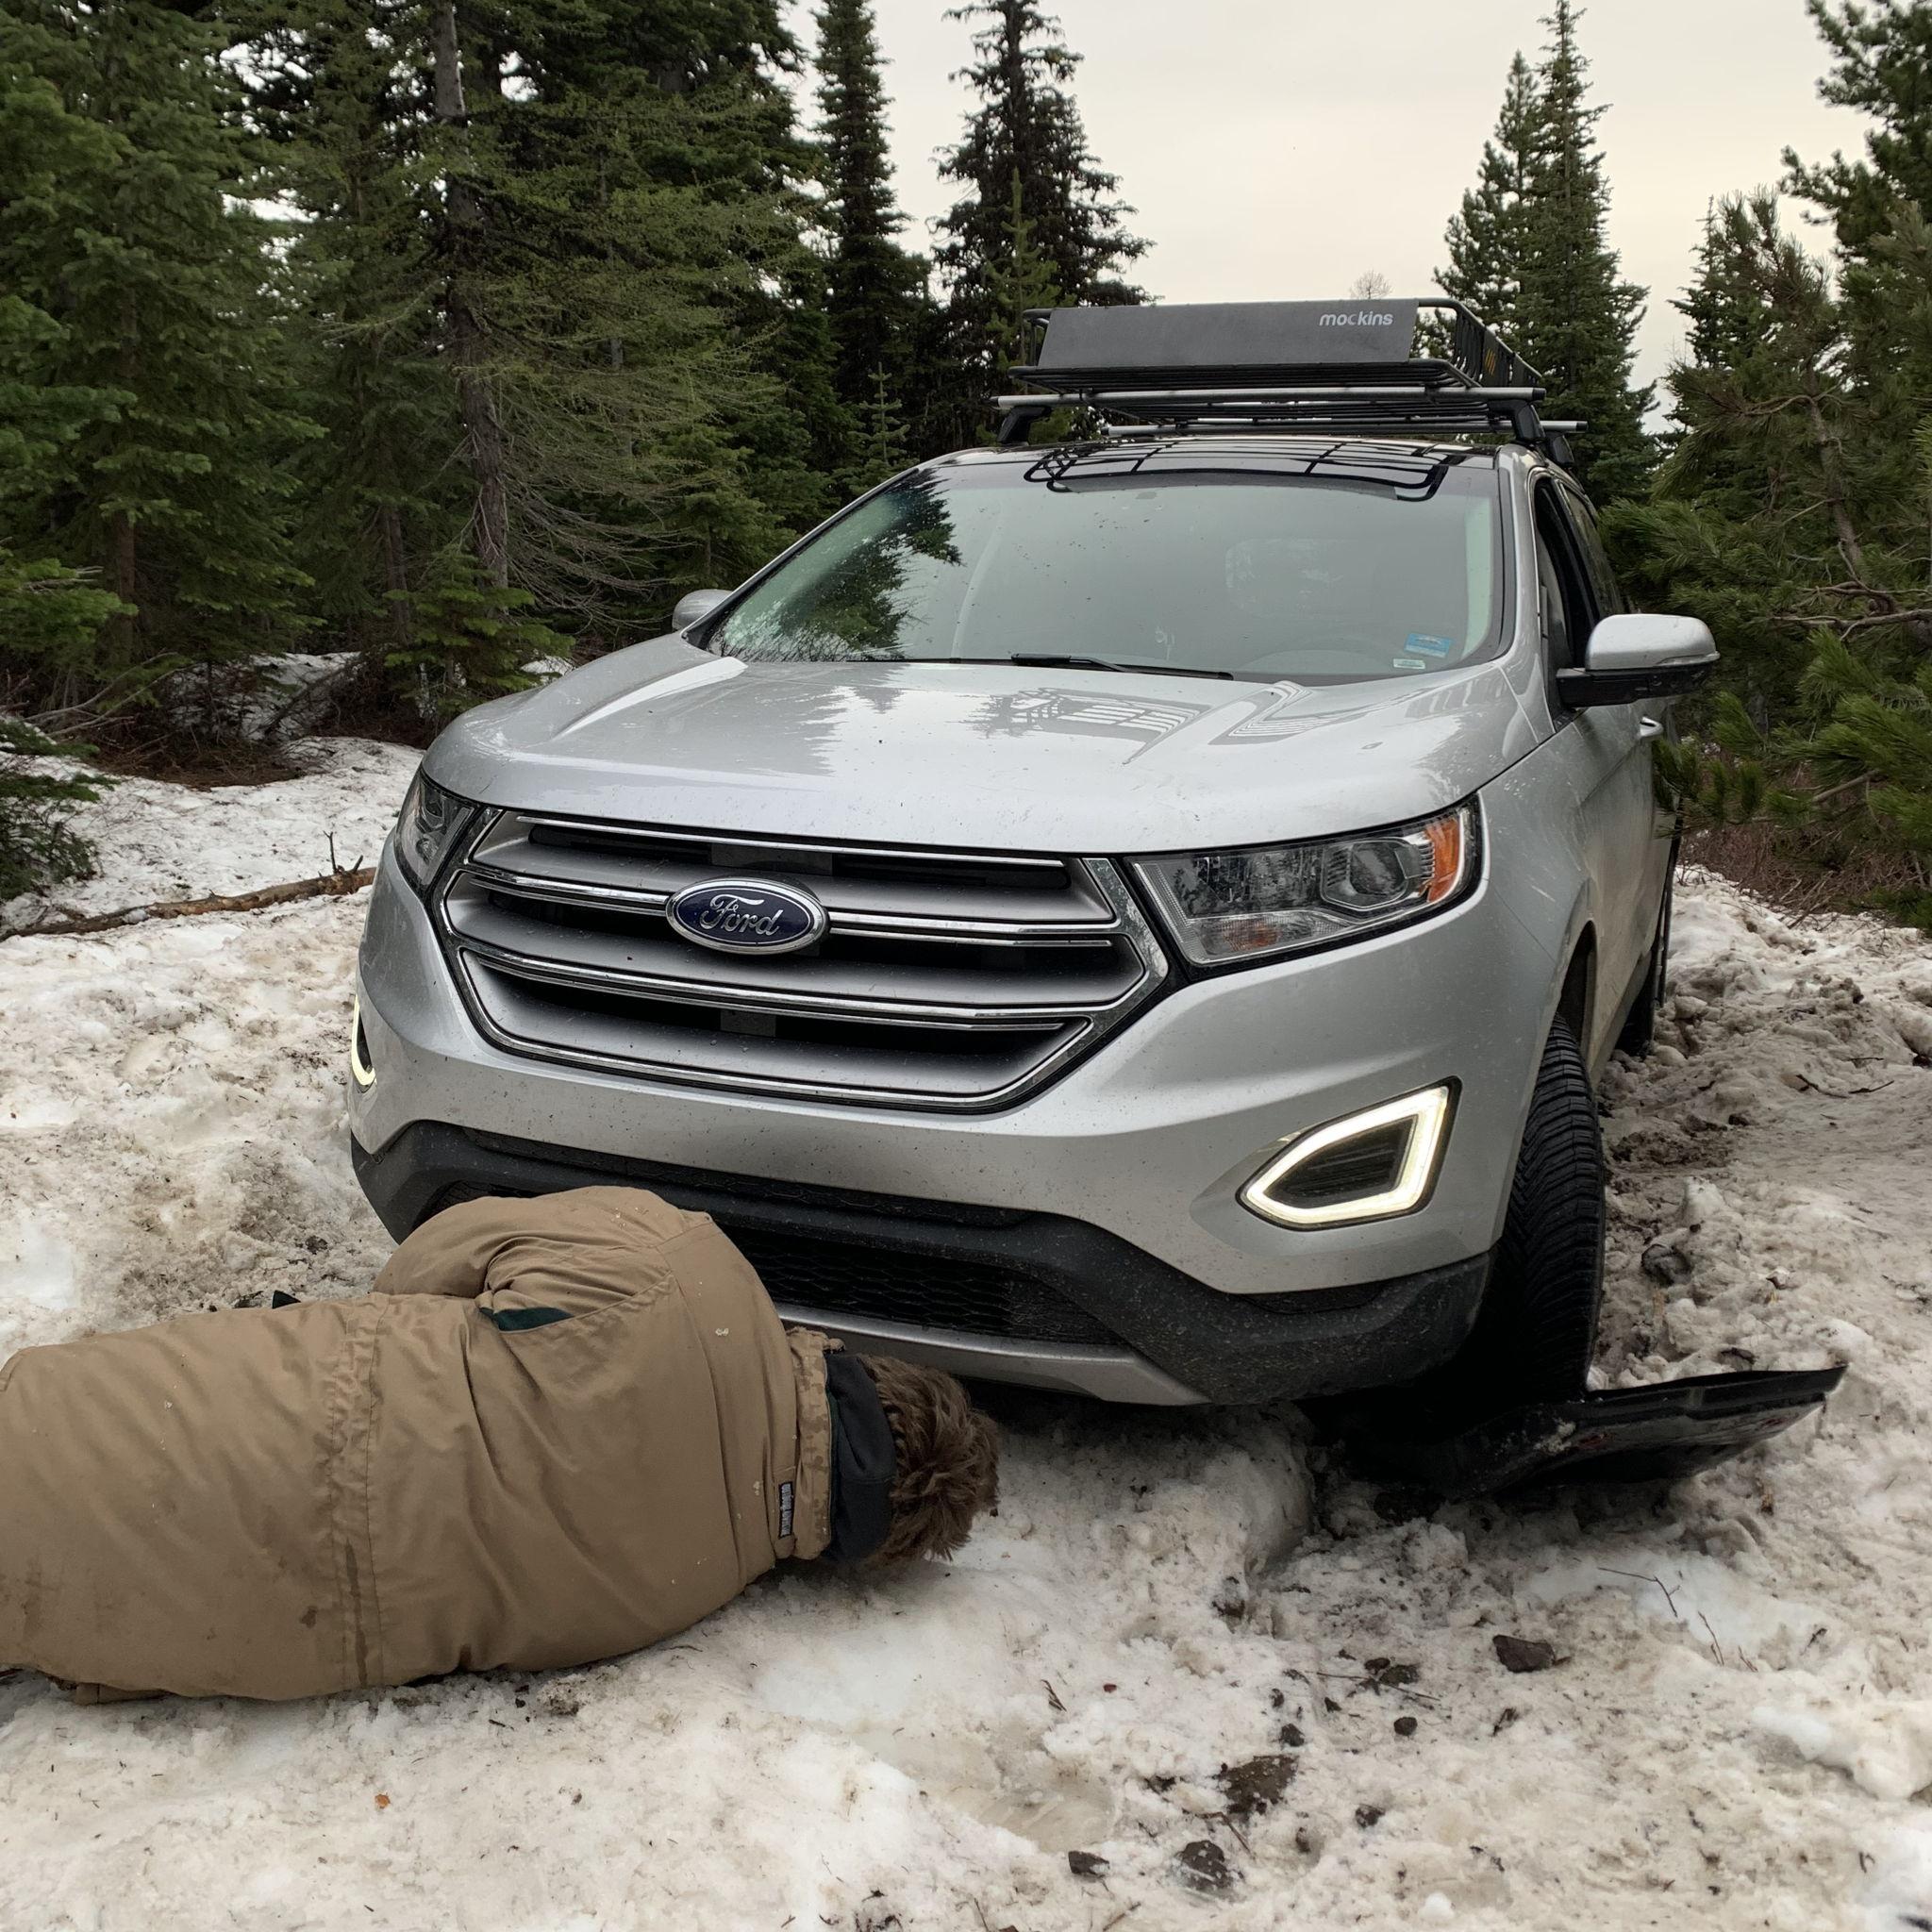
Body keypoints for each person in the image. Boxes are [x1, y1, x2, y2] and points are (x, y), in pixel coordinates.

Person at [0, 1187, 999, 1704]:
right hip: (204, 1621)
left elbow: (437, 1251)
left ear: (866, 1373)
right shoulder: (673, 1597)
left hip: (206, 1416)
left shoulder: (680, 1267)